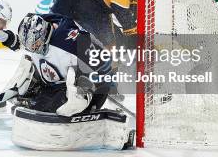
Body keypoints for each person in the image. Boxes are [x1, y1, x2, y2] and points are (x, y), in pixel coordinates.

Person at [9, 13, 133, 150]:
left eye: (35, 43)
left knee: (59, 106)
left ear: (43, 32)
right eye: (30, 46)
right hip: (60, 86)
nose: (34, 48)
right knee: (35, 105)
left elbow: (105, 64)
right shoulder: (41, 39)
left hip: (89, 88)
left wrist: (93, 86)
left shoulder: (69, 40)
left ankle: (81, 99)